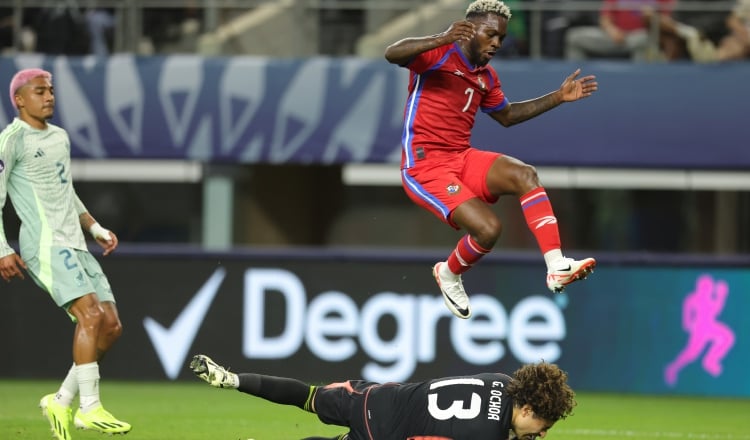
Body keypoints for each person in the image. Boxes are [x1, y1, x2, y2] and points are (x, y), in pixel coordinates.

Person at [384, 0, 596, 319]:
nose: (497, 43)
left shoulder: (486, 76)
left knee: (524, 174)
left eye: (501, 38)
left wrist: (558, 97)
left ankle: (556, 266)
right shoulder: (437, 54)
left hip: (461, 157)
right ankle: (449, 273)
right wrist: (442, 37)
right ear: (469, 29)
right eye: (491, 35)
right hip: (425, 167)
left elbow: (507, 116)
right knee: (489, 230)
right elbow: (393, 53)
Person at [0, 69, 131, 439]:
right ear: (20, 100)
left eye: (51, 91)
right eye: (39, 91)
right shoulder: (11, 140)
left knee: (111, 325)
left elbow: (65, 190)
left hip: (75, 241)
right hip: (45, 244)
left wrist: (94, 227)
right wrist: (2, 249)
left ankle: (61, 399)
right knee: (89, 315)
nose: (49, 97)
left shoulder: (60, 137)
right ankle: (89, 409)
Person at [190, 354, 577, 440]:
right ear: (527, 408)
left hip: (375, 397)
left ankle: (232, 378)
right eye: (543, 425)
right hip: (385, 433)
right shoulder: (490, 436)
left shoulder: (499, 378)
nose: (542, 434)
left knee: (307, 396)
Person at [565, 0, 675, 61]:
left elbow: (671, 24)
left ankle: (638, 83)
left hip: (640, 38)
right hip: (614, 36)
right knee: (574, 37)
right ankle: (576, 85)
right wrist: (611, 30)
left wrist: (653, 17)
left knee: (643, 40)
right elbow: (605, 18)